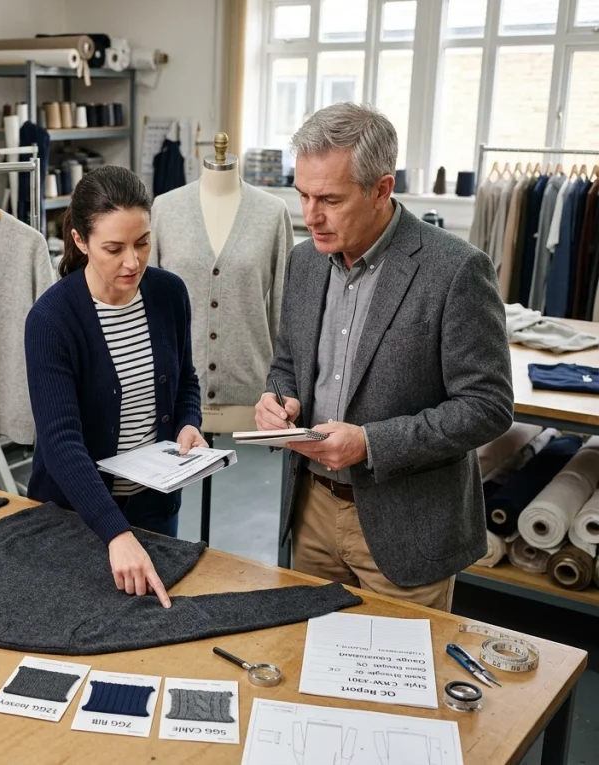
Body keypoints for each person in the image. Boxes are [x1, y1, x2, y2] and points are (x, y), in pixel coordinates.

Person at [255, 103, 513, 611]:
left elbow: (487, 406)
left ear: (381, 189)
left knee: (397, 683)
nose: (311, 216)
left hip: (406, 528)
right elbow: (287, 363)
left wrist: (371, 444)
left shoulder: (455, 270)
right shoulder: (305, 261)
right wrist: (278, 401)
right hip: (308, 511)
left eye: (329, 199)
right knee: (304, 661)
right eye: (303, 196)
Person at [25, 165, 204, 608]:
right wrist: (115, 532)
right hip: (75, 515)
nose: (133, 261)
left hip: (153, 508)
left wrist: (187, 424)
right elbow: (61, 443)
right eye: (113, 248)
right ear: (80, 241)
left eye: (142, 243)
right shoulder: (51, 320)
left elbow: (186, 381)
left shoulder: (168, 294)